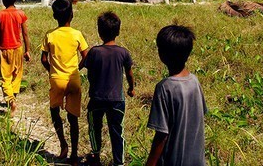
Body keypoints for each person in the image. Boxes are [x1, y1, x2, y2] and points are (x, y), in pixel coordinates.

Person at [146, 25, 207, 166]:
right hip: (197, 160)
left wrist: (150, 163)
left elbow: (161, 135)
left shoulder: (164, 88)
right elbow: (200, 116)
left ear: (162, 54)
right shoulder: (194, 81)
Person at [81, 12, 135, 166]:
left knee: (94, 128)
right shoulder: (123, 52)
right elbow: (129, 74)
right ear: (118, 31)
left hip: (97, 98)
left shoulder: (94, 51)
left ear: (99, 32)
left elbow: (87, 70)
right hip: (117, 99)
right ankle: (119, 162)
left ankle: (95, 155)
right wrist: (131, 88)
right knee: (117, 132)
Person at [41, 0, 89, 164]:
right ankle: (75, 155)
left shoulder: (50, 35)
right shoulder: (77, 34)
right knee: (73, 118)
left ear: (54, 16)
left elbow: (44, 59)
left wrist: (52, 71)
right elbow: (86, 56)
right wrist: (77, 69)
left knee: (55, 111)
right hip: (73, 79)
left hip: (57, 79)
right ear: (72, 14)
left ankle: (63, 145)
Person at [0, 0, 31, 112]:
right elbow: (25, 34)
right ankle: (13, 98)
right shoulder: (21, 14)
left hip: (4, 49)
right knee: (16, 75)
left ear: (3, 0)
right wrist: (27, 50)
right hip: (18, 48)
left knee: (5, 77)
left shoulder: (0, 15)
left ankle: (10, 100)